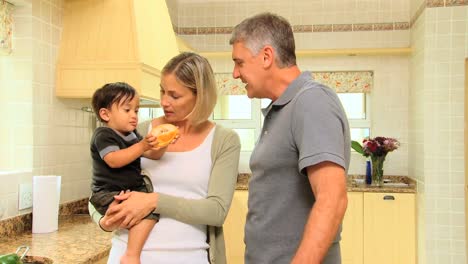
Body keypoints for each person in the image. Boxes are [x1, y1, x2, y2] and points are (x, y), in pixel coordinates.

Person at [89, 52, 241, 264]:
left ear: (200, 96)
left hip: (189, 256)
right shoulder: (138, 133)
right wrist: (103, 221)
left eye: (174, 96)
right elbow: (99, 189)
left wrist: (153, 201)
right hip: (127, 256)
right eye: (162, 91)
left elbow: (216, 212)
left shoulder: (224, 140)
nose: (163, 102)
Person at [229, 13, 350, 264]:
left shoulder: (311, 101)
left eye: (239, 63)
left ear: (266, 57)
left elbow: (333, 199)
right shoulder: (283, 107)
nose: (234, 74)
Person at [89, 82, 166, 264]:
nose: (134, 116)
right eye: (127, 110)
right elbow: (114, 160)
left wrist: (164, 141)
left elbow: (153, 155)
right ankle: (131, 255)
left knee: (151, 211)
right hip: (107, 193)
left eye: (136, 111)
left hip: (131, 192)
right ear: (105, 114)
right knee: (144, 214)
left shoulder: (132, 135)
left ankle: (131, 251)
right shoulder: (104, 134)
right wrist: (142, 145)